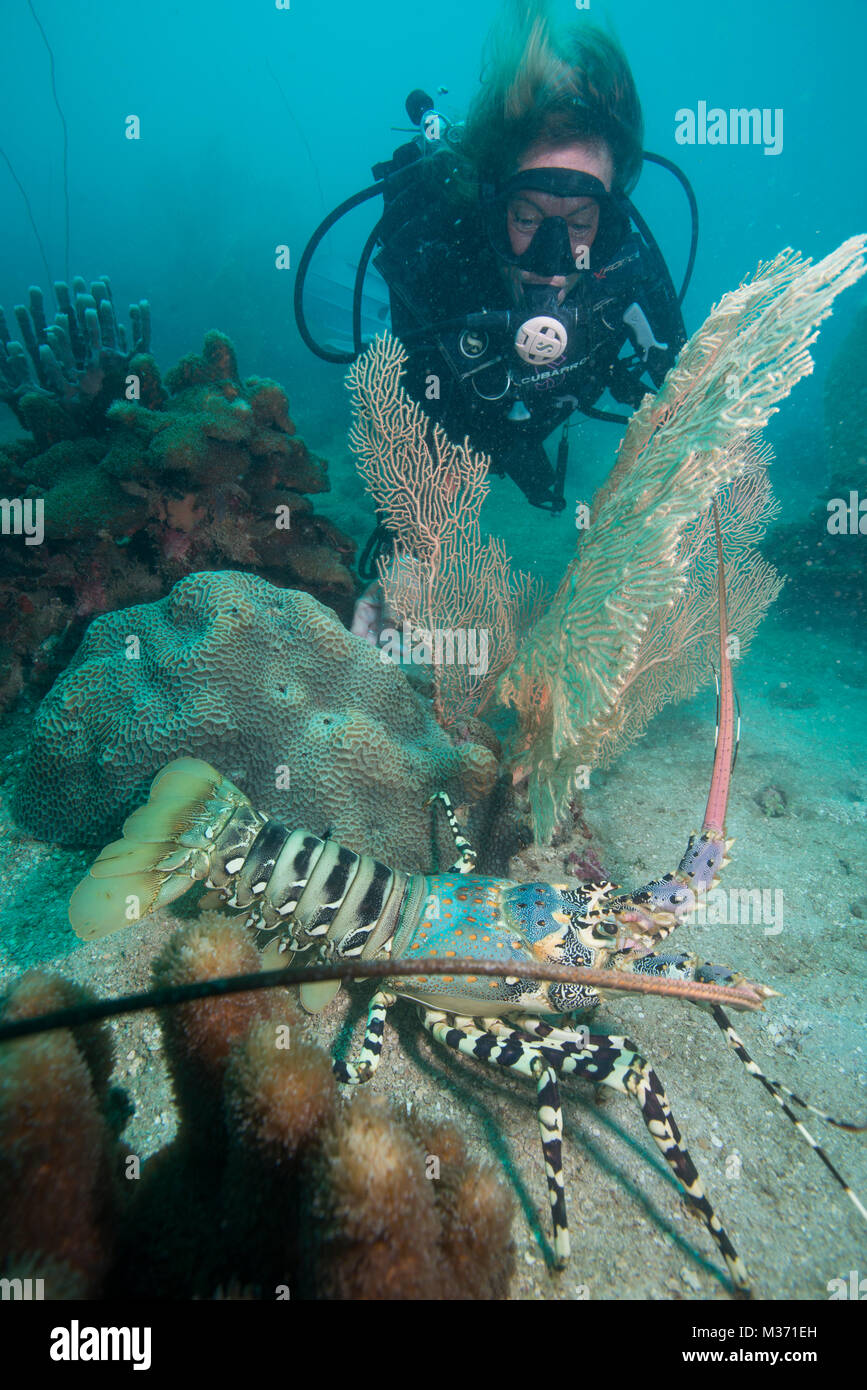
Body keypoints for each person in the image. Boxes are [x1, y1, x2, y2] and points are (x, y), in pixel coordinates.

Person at [368, 11, 688, 514]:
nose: (553, 262)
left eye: (581, 222)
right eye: (526, 216)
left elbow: (686, 403)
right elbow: (428, 432)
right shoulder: (436, 271)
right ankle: (434, 128)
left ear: (610, 219)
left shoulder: (624, 269)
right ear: (494, 210)